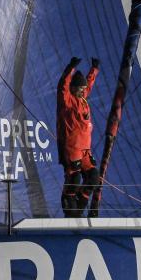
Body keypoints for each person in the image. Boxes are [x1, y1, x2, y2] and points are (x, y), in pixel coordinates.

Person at [56, 56, 100, 217]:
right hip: (72, 149)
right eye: (80, 88)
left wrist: (94, 69)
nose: (83, 90)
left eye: (84, 88)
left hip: (85, 150)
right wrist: (70, 67)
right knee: (74, 179)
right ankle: (69, 204)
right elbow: (63, 85)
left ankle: (81, 202)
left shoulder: (82, 99)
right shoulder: (68, 101)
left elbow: (88, 85)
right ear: (73, 88)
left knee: (94, 177)